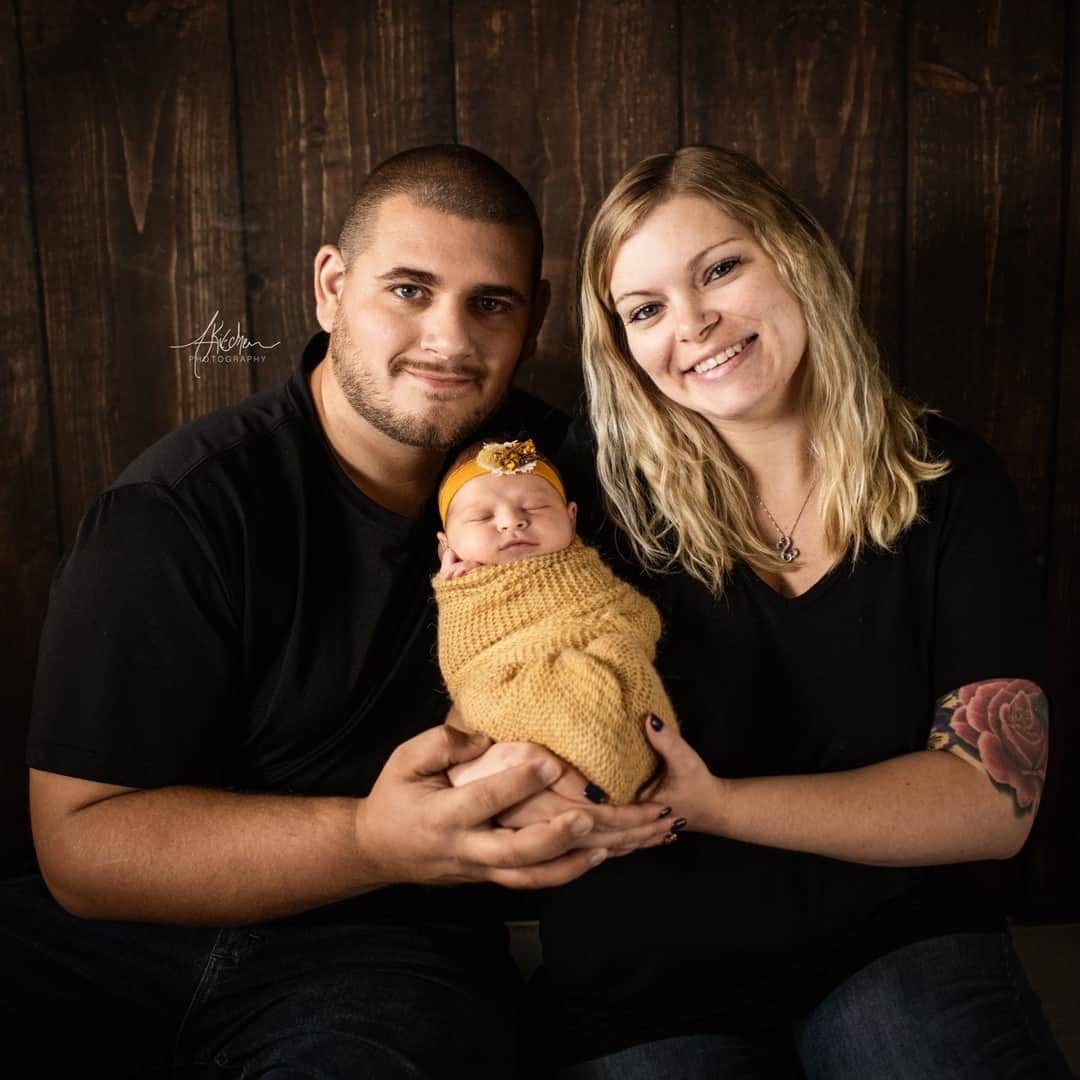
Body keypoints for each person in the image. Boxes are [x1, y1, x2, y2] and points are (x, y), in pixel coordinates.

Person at [0, 144, 674, 1079]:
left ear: (536, 318)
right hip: (121, 943)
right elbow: (78, 848)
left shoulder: (570, 490)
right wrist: (368, 837)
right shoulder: (182, 510)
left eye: (491, 303)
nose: (448, 340)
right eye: (408, 290)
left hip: (388, 949)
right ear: (330, 286)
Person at [529, 146, 1069, 1078]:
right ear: (622, 348)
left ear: (797, 257)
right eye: (646, 310)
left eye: (721, 268)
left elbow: (992, 803)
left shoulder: (946, 481)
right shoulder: (577, 503)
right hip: (648, 976)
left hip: (893, 932)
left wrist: (718, 806)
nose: (692, 325)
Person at [432, 437, 678, 806]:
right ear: (446, 544)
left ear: (572, 517)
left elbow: (638, 619)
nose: (511, 521)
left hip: (602, 692)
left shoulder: (588, 576)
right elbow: (468, 669)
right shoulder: (463, 596)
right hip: (510, 711)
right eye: (482, 517)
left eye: (534, 507)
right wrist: (459, 593)